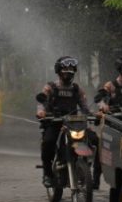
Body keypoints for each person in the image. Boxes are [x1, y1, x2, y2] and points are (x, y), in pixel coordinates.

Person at [35, 56, 91, 188]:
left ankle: (84, 167)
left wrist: (94, 114)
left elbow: (85, 106)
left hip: (73, 124)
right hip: (54, 123)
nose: (68, 73)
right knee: (48, 142)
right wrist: (41, 112)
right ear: (59, 71)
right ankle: (47, 174)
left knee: (91, 140)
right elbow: (41, 102)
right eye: (65, 70)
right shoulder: (51, 87)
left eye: (71, 71)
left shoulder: (77, 89)